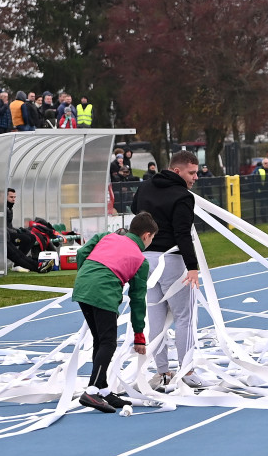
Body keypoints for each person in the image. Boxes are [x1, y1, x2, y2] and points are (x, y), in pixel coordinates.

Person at [71, 212, 158, 412]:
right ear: (146, 236)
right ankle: (92, 391)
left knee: (100, 340)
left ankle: (102, 389)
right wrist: (139, 335)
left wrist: (86, 275)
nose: (151, 242)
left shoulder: (106, 237)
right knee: (108, 342)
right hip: (104, 292)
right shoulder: (140, 261)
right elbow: (137, 299)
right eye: (152, 238)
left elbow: (82, 252)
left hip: (83, 286)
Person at [130, 150, 201, 390]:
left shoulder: (145, 187)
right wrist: (193, 267)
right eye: (192, 172)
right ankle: (187, 371)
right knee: (184, 318)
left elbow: (134, 211)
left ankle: (162, 372)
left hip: (144, 260)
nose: (195, 178)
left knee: (156, 321)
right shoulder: (182, 195)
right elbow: (183, 233)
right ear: (177, 170)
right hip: (171, 260)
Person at [5, 188, 55, 273]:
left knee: (31, 237)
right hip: (4, 236)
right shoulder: (1, 209)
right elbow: (2, 227)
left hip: (7, 235)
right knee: (25, 242)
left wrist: (19, 230)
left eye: (14, 197)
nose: (13, 199)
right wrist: (16, 232)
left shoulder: (9, 208)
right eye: (11, 197)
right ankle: (21, 264)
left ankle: (25, 264)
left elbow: (9, 226)